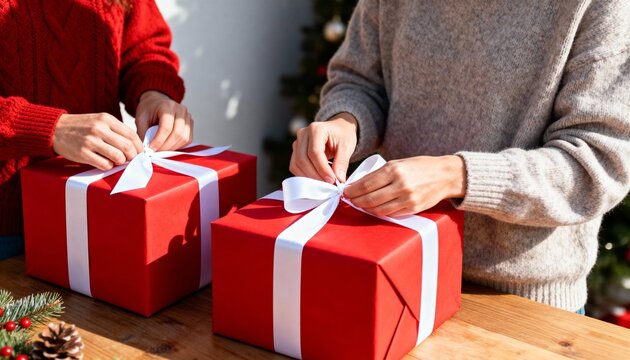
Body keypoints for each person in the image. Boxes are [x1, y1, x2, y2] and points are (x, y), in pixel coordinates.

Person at [290, 0, 630, 313]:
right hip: (395, 267)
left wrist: (456, 176)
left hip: (520, 305)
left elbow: (597, 164)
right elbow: (358, 79)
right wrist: (345, 122)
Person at [0, 0, 192, 257]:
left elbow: (145, 47)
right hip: (6, 232)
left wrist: (153, 94)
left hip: (100, 207)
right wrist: (50, 128)